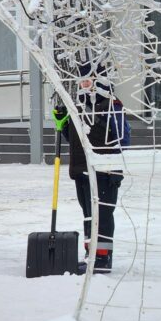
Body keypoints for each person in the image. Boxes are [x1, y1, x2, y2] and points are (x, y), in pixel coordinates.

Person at [51, 62, 128, 274]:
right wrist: (63, 123)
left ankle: (103, 258)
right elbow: (73, 139)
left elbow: (123, 139)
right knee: (88, 215)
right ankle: (90, 255)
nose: (84, 84)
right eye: (82, 80)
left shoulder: (112, 106)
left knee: (102, 216)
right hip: (81, 171)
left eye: (88, 80)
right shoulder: (76, 108)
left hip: (105, 173)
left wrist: (113, 165)